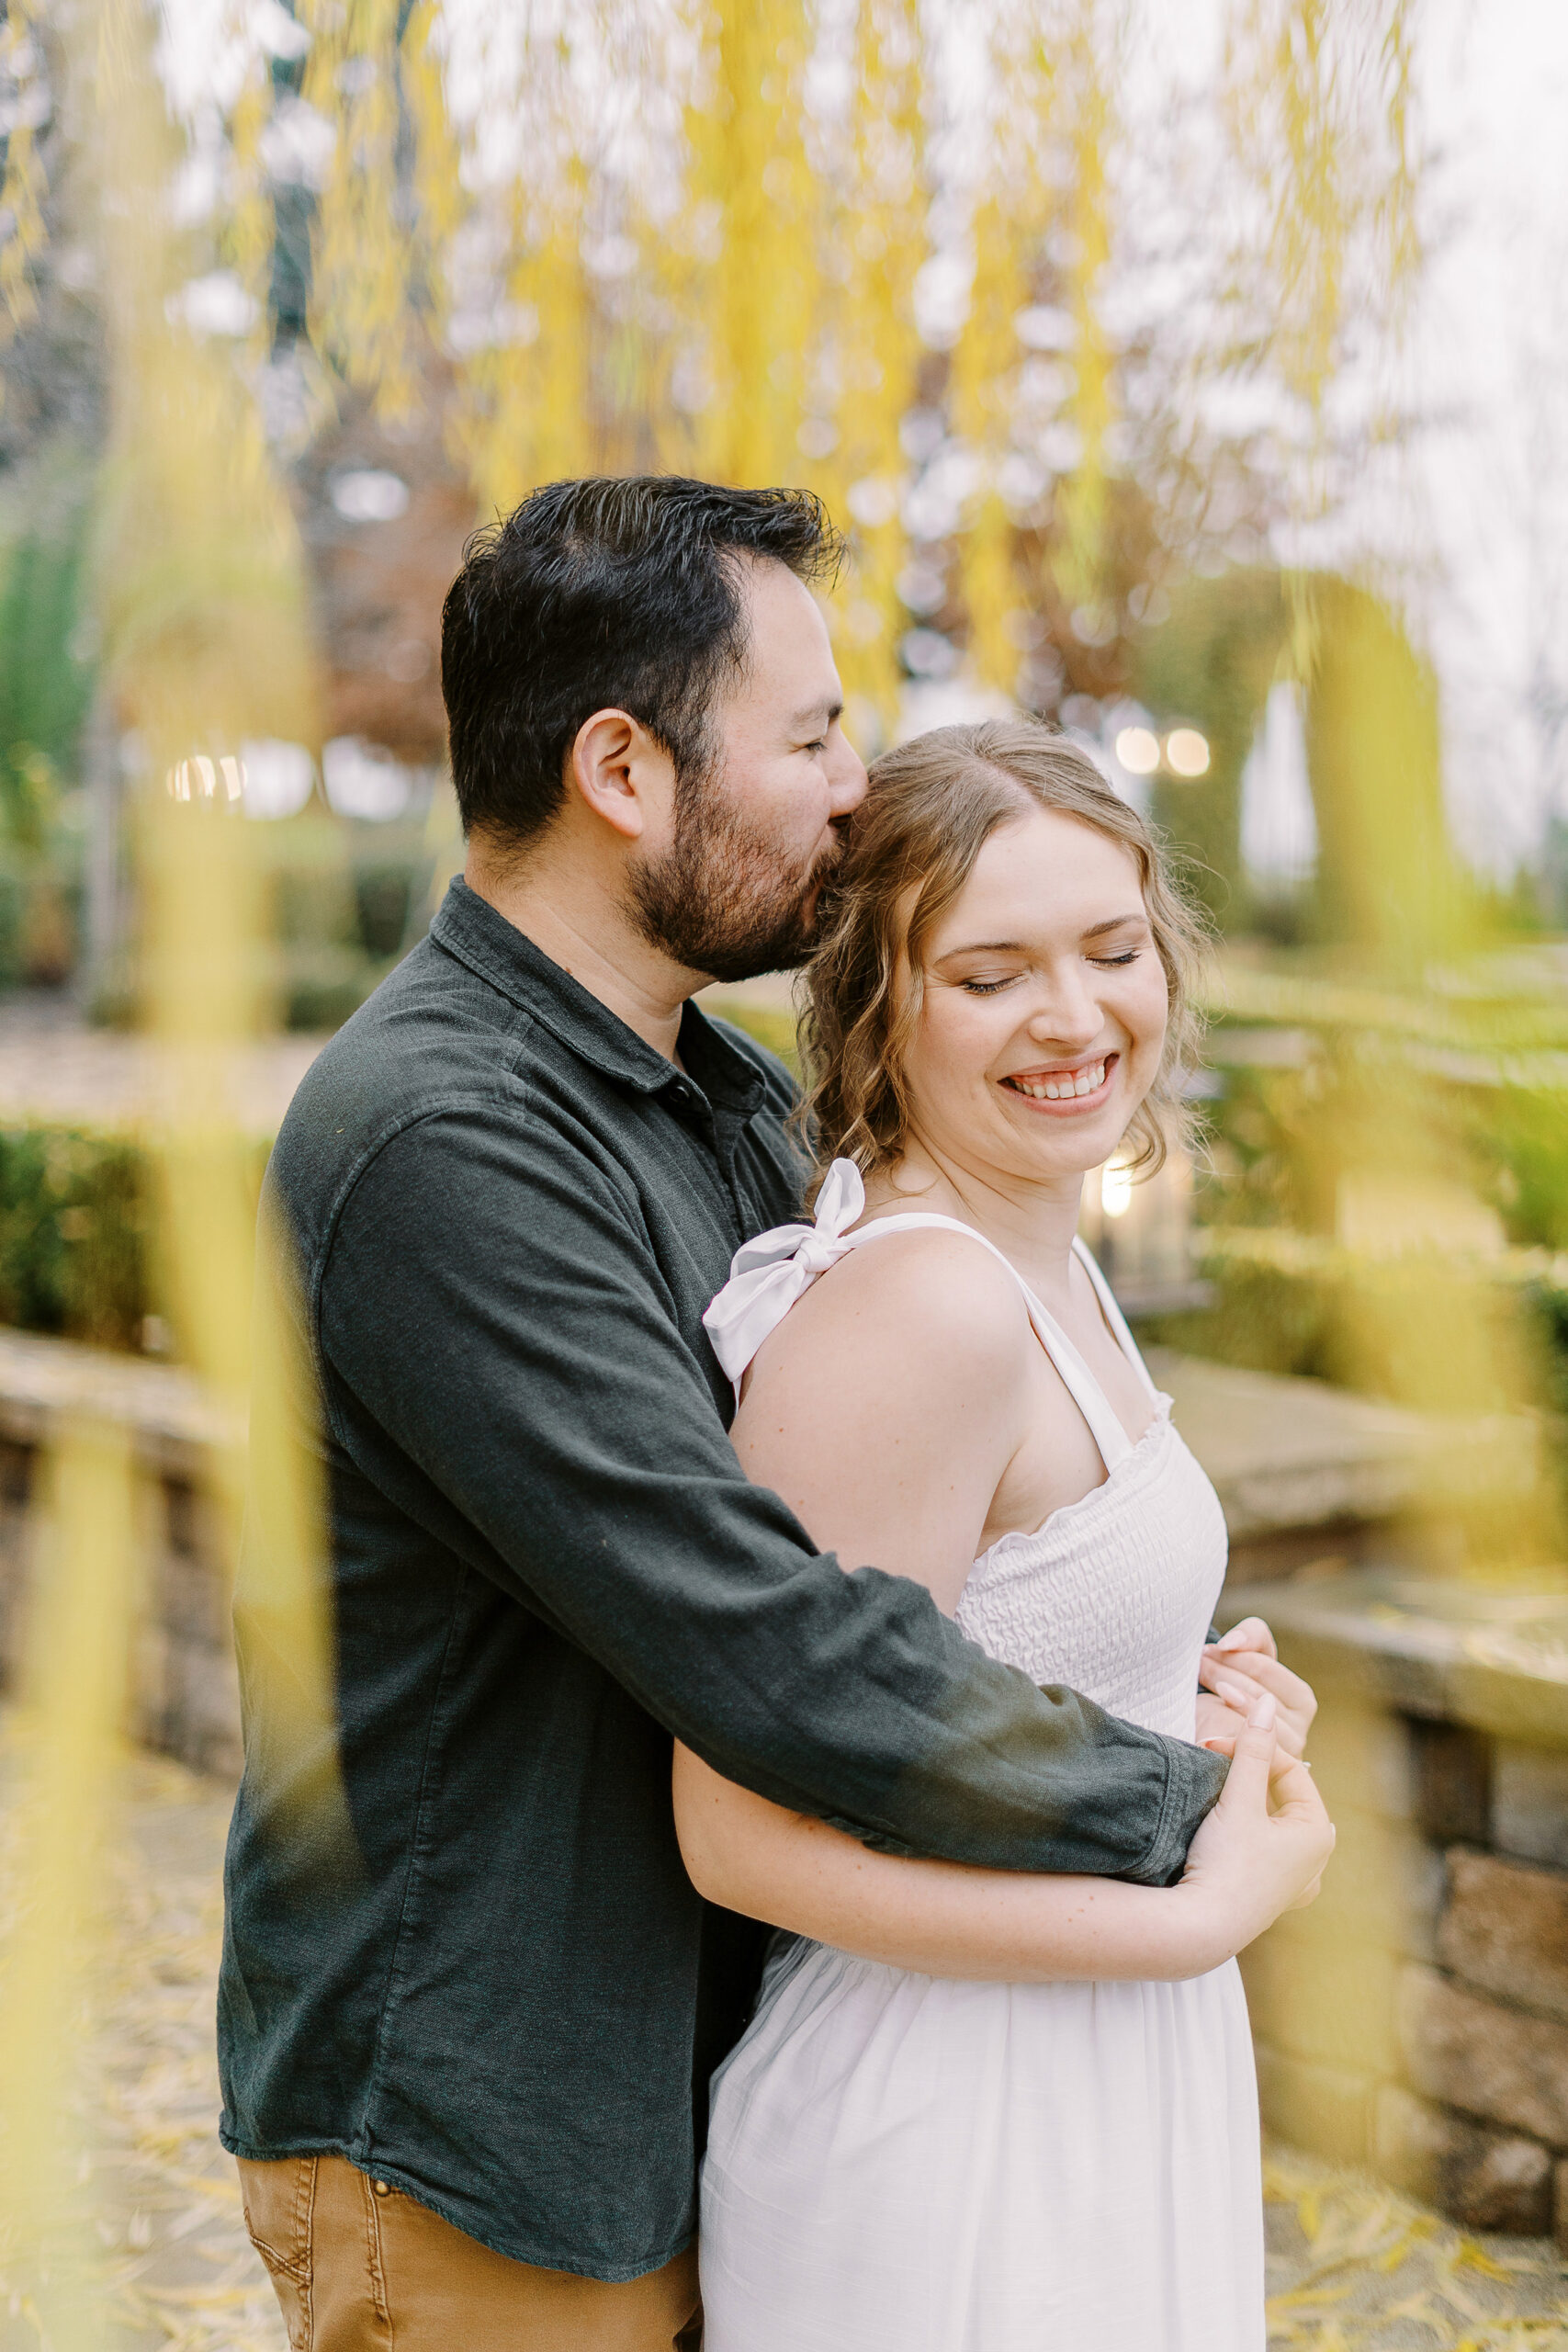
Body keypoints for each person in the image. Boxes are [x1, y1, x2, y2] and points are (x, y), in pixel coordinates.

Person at [219, 478, 1247, 2352]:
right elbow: (760, 1630)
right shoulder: (448, 1136)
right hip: (487, 2120)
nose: (855, 784)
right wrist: (1174, 1811)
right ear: (624, 767)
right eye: (812, 730)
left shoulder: (709, 1085)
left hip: (680, 2081)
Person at [683, 719, 1335, 2351]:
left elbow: (975, 1663)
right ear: (877, 1007)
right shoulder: (921, 1311)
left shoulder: (1047, 1248)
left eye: (1113, 950)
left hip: (1102, 2072)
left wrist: (1194, 1706)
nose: (1073, 1017)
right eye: (989, 975)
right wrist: (1190, 1917)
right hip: (951, 2133)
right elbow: (743, 1833)